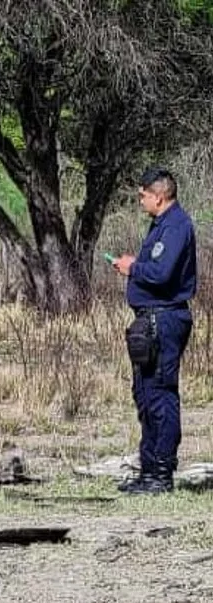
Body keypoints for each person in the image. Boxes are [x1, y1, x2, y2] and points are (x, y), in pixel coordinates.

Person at [111, 167, 196, 494]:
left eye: (143, 194)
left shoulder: (176, 226)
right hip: (149, 319)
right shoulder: (161, 225)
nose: (140, 199)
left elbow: (161, 274)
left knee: (160, 394)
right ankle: (148, 470)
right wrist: (135, 265)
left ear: (159, 196)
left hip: (165, 319)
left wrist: (133, 267)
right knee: (146, 394)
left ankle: (161, 472)